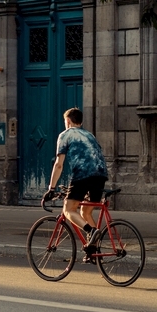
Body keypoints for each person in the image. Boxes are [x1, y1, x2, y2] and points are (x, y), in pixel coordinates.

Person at [44, 108, 108, 260]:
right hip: (100, 175)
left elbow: (59, 164)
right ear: (81, 121)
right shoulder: (89, 135)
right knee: (85, 212)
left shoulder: (65, 135)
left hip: (83, 175)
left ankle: (91, 231)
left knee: (68, 210)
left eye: (65, 122)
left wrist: (51, 188)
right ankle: (94, 252)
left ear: (68, 121)